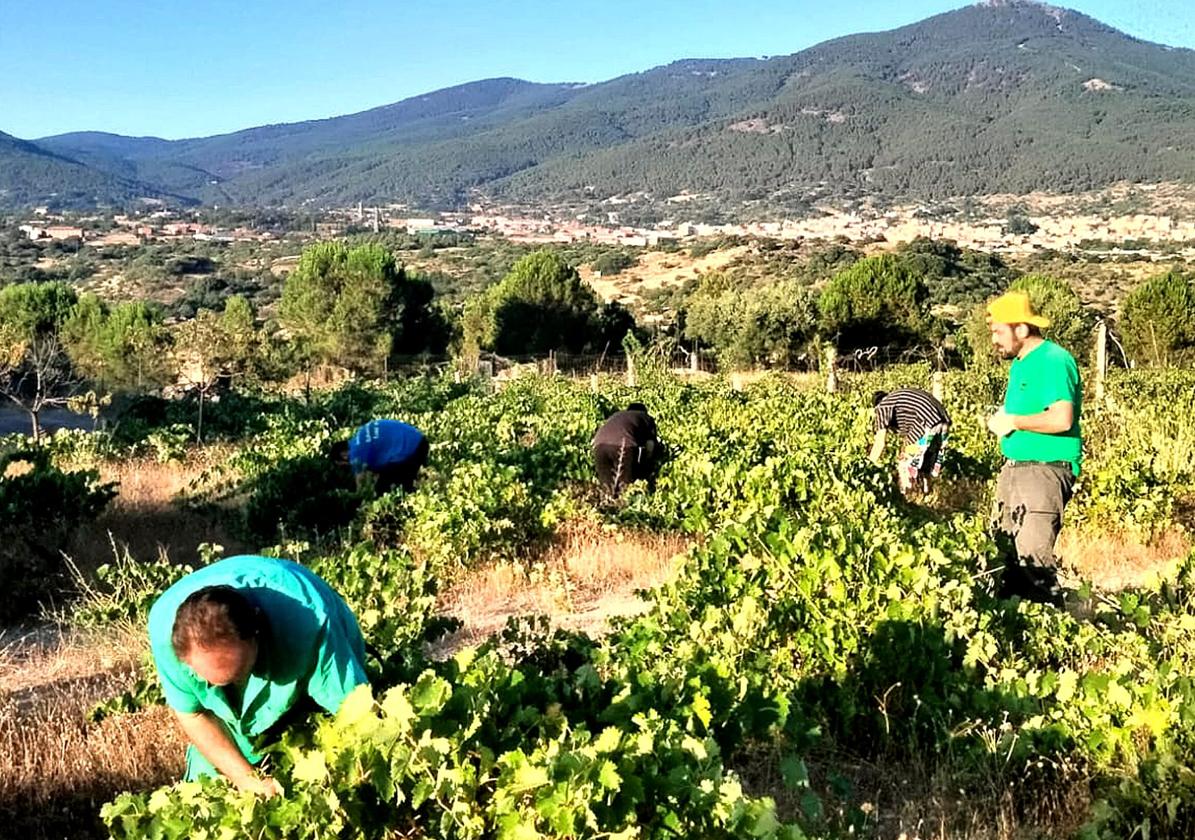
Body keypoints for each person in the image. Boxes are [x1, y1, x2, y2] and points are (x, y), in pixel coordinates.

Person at [148, 555, 368, 795]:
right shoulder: (164, 635)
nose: (227, 686)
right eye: (209, 680)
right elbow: (194, 715)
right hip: (223, 719)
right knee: (206, 792)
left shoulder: (311, 623)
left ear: (257, 634)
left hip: (307, 662)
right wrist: (246, 779)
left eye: (239, 674)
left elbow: (356, 712)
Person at [984, 291, 1082, 606]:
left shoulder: (1053, 360)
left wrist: (1014, 421)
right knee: (1008, 563)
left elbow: (1061, 418)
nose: (994, 339)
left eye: (999, 331)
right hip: (1016, 469)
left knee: (1034, 564)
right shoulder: (1021, 364)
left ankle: (1051, 641)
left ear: (1022, 330)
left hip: (1044, 470)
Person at [869, 388, 951, 493]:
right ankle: (927, 494)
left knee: (904, 462)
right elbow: (909, 435)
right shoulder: (897, 401)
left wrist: (869, 465)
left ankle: (906, 494)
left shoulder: (883, 407)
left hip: (927, 424)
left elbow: (880, 443)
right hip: (943, 422)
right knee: (926, 462)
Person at [331, 419, 429, 493]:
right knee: (388, 479)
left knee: (385, 488)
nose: (349, 466)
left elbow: (360, 483)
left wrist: (357, 501)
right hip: (419, 440)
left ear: (344, 455)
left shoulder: (356, 452)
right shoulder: (361, 434)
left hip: (411, 449)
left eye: (344, 465)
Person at [592, 401, 660, 496]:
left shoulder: (617, 415)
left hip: (599, 445)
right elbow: (650, 445)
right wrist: (647, 465)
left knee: (606, 487)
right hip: (624, 445)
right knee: (625, 486)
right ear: (644, 411)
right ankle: (624, 507)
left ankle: (607, 507)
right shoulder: (645, 417)